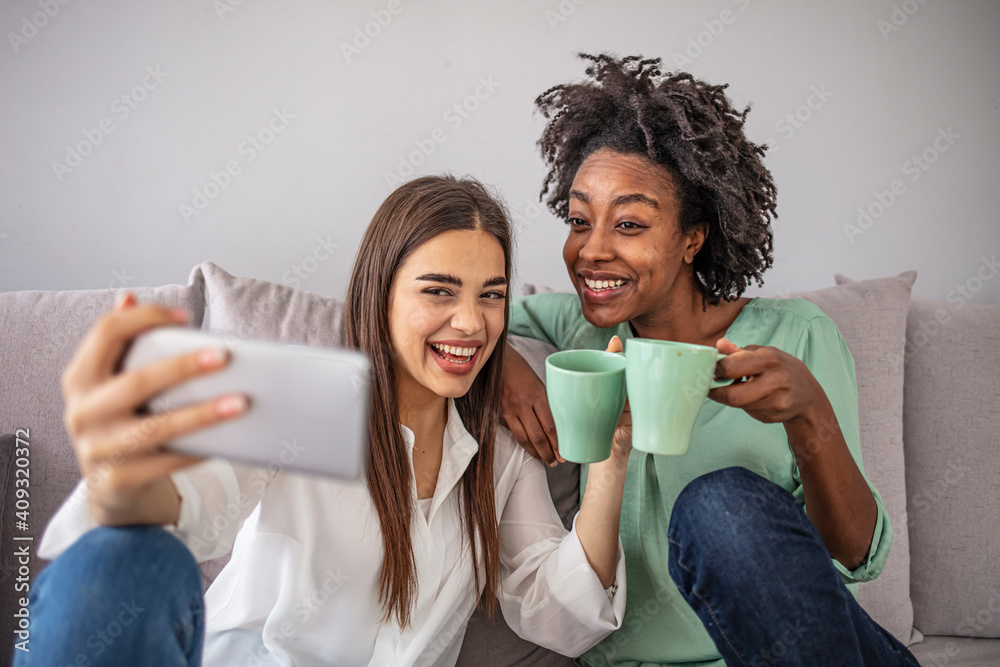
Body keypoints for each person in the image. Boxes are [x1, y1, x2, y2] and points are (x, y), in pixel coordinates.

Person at [21, 175, 631, 666]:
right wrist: (127, 479)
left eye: (490, 295)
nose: (472, 323)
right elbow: (191, 500)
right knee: (120, 561)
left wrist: (610, 460)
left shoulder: (500, 454)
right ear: (380, 294)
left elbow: (559, 616)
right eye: (439, 292)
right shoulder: (300, 402)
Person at [500, 54, 920, 666]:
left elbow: (856, 555)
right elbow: (431, 317)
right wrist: (500, 369)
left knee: (717, 505)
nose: (592, 250)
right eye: (579, 220)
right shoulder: (577, 333)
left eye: (629, 224)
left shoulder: (794, 337)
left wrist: (809, 417)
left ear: (692, 238)